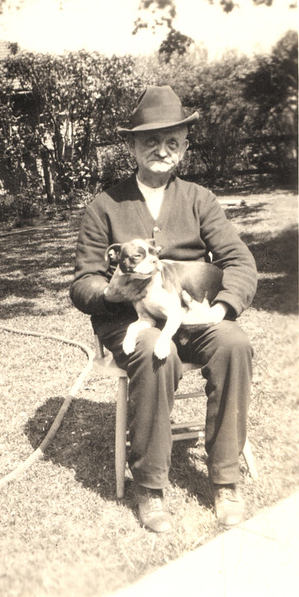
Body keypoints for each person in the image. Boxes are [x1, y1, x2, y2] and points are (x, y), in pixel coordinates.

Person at [70, 85, 257, 533]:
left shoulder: (198, 199)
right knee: (157, 349)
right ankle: (150, 489)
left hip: (191, 315)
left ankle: (226, 480)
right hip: (129, 321)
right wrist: (110, 294)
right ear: (132, 146)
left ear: (184, 146)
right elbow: (82, 283)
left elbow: (240, 260)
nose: (162, 149)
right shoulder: (105, 205)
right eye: (151, 140)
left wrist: (223, 308)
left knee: (234, 343)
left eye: (172, 140)